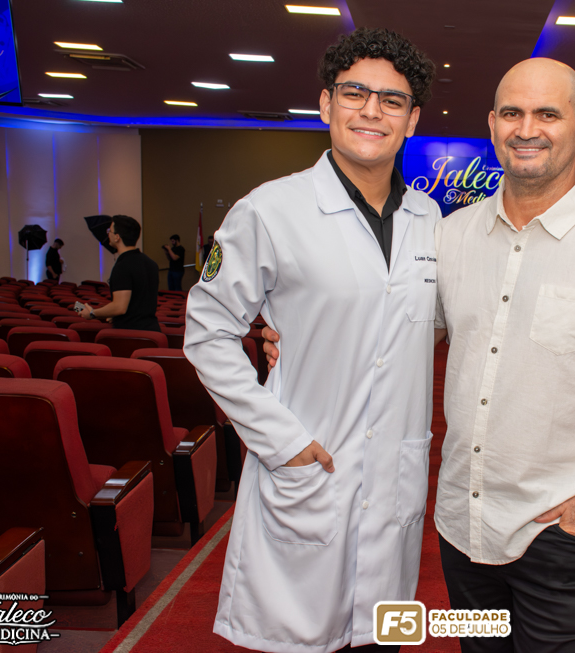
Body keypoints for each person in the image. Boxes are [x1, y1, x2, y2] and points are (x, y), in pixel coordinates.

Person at [263, 57, 575, 652]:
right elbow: (399, 334)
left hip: (562, 532)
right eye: (512, 114)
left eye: (548, 114)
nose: (528, 129)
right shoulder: (451, 235)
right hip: (461, 526)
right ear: (493, 126)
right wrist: (296, 335)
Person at [184, 28, 438, 653]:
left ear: (412, 119)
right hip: (308, 464)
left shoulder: (430, 219)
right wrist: (282, 441)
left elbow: (424, 323)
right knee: (296, 640)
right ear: (326, 104)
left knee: (383, 638)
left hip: (395, 476)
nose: (372, 111)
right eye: (355, 93)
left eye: (392, 100)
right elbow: (208, 332)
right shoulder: (270, 210)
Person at [78, 216, 161, 332]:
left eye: (110, 231)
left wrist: (92, 313)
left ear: (117, 237)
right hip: (152, 331)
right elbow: (140, 300)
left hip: (131, 334)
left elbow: (119, 307)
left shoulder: (123, 266)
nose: (108, 234)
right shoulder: (151, 263)